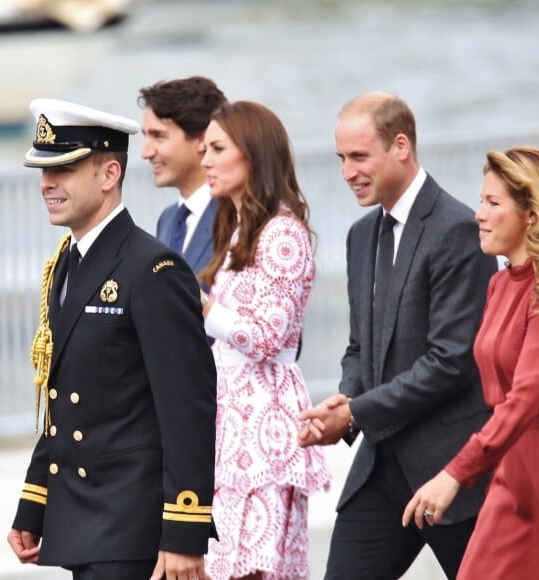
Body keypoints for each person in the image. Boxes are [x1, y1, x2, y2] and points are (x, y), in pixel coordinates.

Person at [7, 98, 217, 580]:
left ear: (109, 175)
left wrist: (185, 531)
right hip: (84, 519)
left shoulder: (152, 269)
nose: (47, 184)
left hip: (131, 527)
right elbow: (65, 401)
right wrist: (33, 501)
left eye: (63, 169)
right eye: (43, 171)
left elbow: (187, 408)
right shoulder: (69, 261)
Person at [298, 91, 498, 579]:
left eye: (359, 156)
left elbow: (450, 361)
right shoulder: (359, 236)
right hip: (380, 470)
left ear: (401, 146)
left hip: (451, 473)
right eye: (342, 158)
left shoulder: (457, 230)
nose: (347, 172)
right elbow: (360, 348)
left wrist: (357, 411)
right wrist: (343, 404)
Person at [198, 100, 331, 580]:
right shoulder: (237, 231)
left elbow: (268, 335)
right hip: (231, 423)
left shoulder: (282, 232)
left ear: (252, 154)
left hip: (264, 425)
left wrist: (205, 308)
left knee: (255, 569)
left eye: (217, 148)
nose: (205, 161)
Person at [403, 146, 539, 579]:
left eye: (493, 203)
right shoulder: (500, 284)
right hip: (510, 478)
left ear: (531, 216)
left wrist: (457, 472)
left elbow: (525, 397)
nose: (478, 213)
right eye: (481, 200)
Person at [138, 76, 227, 276]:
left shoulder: (237, 217)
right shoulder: (167, 219)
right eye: (146, 136)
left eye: (159, 136)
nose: (145, 152)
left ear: (202, 139)